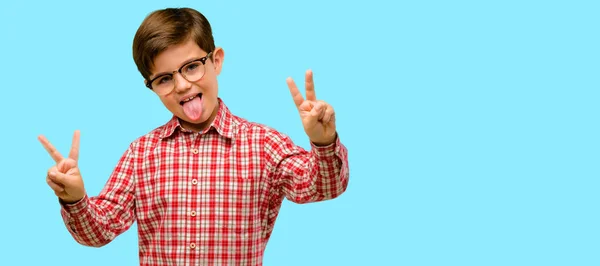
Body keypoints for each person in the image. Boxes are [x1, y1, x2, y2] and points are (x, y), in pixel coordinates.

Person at [38, 7, 349, 266]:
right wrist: (74, 198)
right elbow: (99, 231)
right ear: (152, 86)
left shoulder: (263, 145)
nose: (183, 86)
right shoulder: (141, 153)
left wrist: (323, 142)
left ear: (216, 61)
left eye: (191, 67)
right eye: (164, 79)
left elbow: (323, 186)